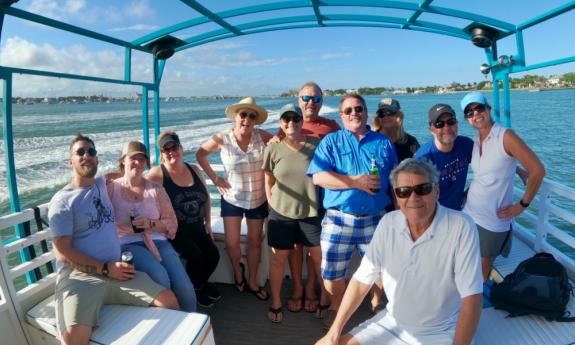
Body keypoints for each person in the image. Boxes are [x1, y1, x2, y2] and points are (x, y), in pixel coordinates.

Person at [316, 159, 483, 345]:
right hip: (390, 322)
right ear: (396, 197)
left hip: (441, 331)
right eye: (404, 192)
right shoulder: (388, 223)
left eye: (423, 189)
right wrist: (334, 333)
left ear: (437, 191)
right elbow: (361, 281)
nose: (413, 198)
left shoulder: (461, 227)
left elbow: (472, 298)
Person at [48, 134, 179, 345]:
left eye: (91, 151)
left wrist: (135, 174)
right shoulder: (63, 201)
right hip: (82, 276)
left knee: (170, 302)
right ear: (70, 161)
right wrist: (105, 268)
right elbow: (62, 253)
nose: (86, 155)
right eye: (80, 152)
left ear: (97, 160)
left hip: (117, 271)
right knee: (73, 341)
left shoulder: (102, 184)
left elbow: (118, 175)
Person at [307, 93, 398, 328]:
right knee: (331, 272)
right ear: (341, 115)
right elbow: (318, 176)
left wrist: (401, 216)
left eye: (358, 109)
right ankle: (337, 307)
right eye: (348, 110)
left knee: (380, 268)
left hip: (375, 218)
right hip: (338, 219)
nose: (354, 113)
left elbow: (396, 181)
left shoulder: (383, 142)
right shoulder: (331, 142)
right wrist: (355, 182)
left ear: (367, 112)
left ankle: (376, 303)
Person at [460, 92, 545, 282]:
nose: (475, 114)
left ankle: (476, 305)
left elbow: (538, 171)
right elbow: (497, 162)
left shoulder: (506, 136)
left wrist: (521, 205)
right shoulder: (475, 140)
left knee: (482, 270)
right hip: (469, 210)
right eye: (469, 112)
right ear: (467, 119)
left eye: (479, 108)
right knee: (466, 259)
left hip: (493, 218)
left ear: (488, 109)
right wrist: (517, 170)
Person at [196, 96, 273, 301]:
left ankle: (253, 280)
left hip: (258, 197)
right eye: (243, 114)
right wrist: (215, 178)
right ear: (236, 117)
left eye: (251, 116)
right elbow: (200, 154)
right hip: (232, 198)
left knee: (255, 242)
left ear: (255, 120)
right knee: (231, 244)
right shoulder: (223, 138)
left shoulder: (262, 136)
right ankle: (238, 273)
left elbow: (280, 147)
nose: (246, 119)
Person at [107, 140, 197, 312]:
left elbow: (171, 224)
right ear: (123, 161)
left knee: (185, 287)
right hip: (128, 244)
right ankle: (170, 325)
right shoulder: (111, 189)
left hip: (159, 242)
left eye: (142, 159)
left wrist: (150, 224)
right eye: (133, 158)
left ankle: (191, 328)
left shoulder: (155, 189)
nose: (138, 163)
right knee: (160, 277)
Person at [280, 81, 340, 316]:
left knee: (316, 245)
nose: (310, 103)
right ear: (298, 100)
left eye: (315, 99)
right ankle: (297, 286)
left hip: (322, 197)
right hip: (295, 197)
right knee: (296, 246)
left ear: (322, 102)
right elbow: (278, 149)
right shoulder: (289, 123)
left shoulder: (332, 126)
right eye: (306, 98)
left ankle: (312, 288)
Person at [262, 103, 324, 323]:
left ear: (301, 121)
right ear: (280, 123)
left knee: (317, 256)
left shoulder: (316, 144)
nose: (291, 123)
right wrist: (272, 205)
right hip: (281, 213)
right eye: (286, 119)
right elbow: (268, 180)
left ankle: (323, 296)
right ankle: (276, 301)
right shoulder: (273, 148)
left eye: (295, 119)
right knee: (279, 259)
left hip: (310, 211)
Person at [148, 131, 221, 307]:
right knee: (196, 256)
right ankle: (195, 288)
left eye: (174, 147)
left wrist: (209, 223)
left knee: (213, 255)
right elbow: (133, 184)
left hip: (197, 227)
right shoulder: (157, 175)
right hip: (175, 231)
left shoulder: (194, 170)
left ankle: (199, 284)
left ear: (181, 148)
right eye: (166, 149)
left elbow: (207, 198)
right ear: (161, 153)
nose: (171, 152)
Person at [415, 103, 473, 210]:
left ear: (457, 124)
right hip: (435, 215)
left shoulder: (466, 145)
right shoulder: (423, 159)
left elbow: (487, 165)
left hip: (460, 211)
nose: (446, 127)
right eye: (439, 124)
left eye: (451, 121)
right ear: (431, 129)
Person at [373, 98, 420, 162]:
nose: (386, 117)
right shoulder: (372, 141)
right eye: (382, 114)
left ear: (399, 116)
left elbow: (420, 166)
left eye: (390, 113)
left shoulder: (411, 142)